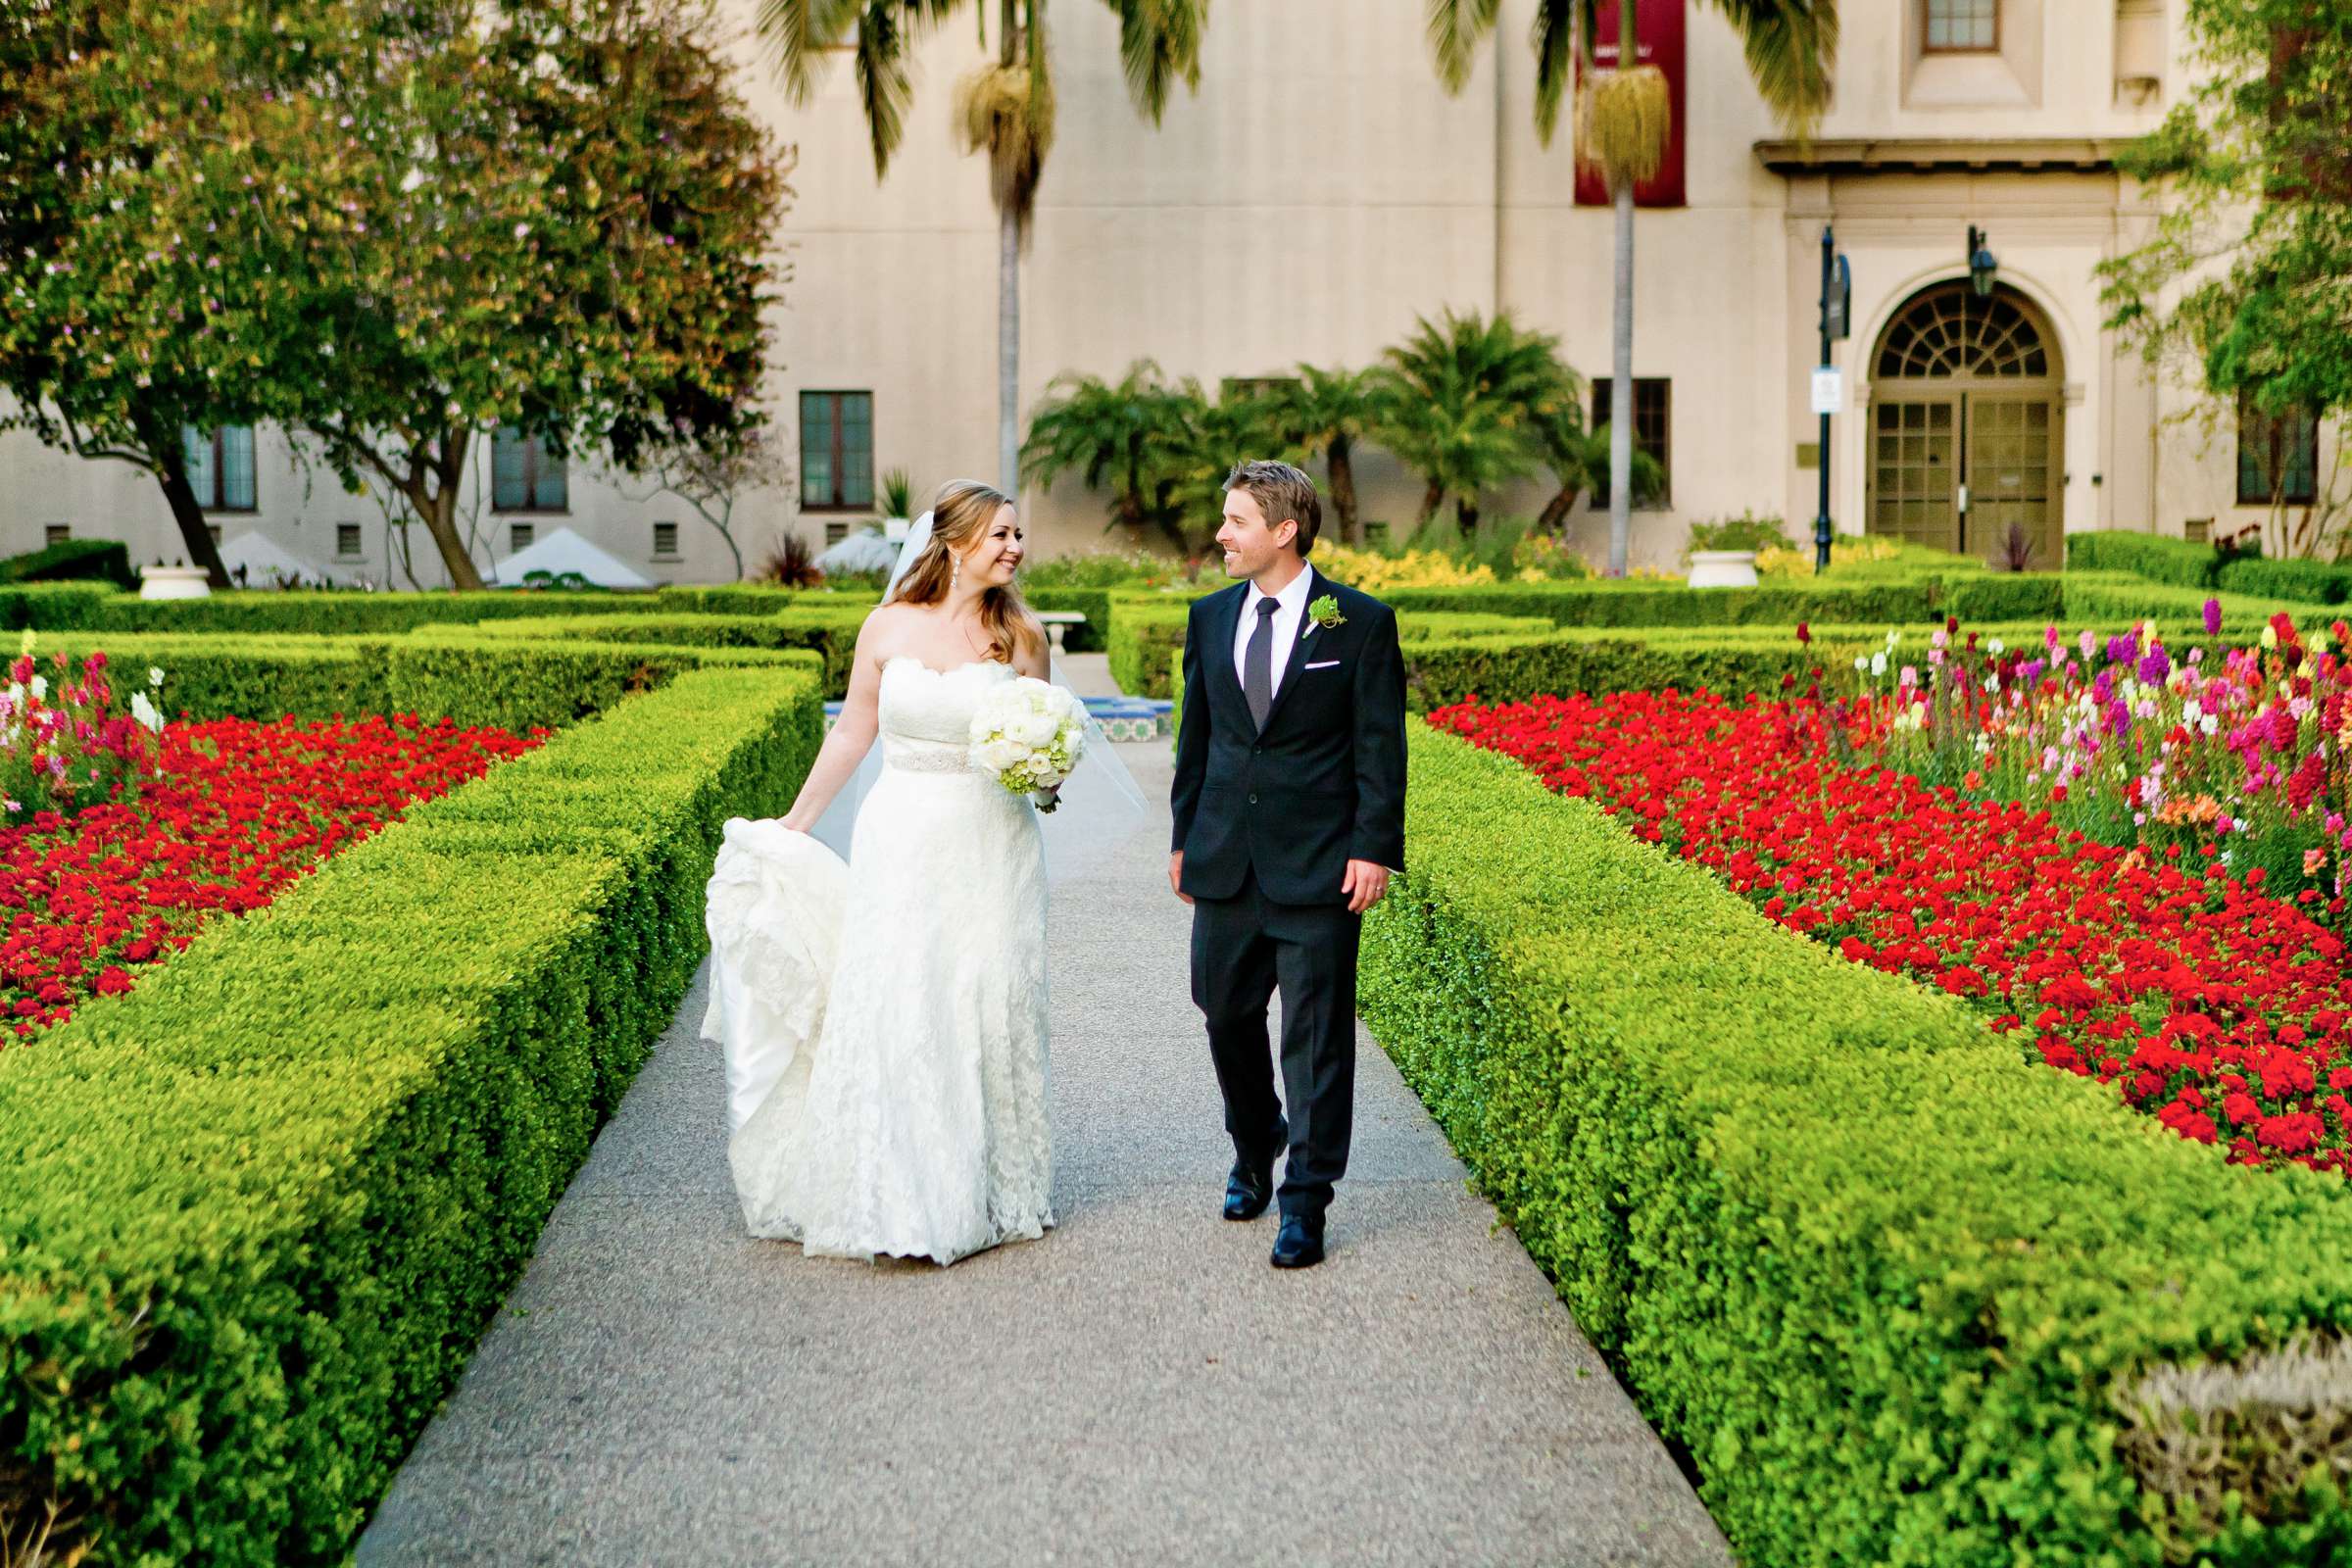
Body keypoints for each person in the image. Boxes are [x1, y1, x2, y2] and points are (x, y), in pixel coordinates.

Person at [701, 478, 1056, 1265]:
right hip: (902, 836)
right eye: (1000, 535)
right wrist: (797, 820)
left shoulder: (1023, 637)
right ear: (953, 542)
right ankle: (898, 1188)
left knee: (984, 997)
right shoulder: (886, 625)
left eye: (1018, 536)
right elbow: (854, 728)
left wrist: (1045, 773)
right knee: (905, 999)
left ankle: (985, 1184)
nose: (1014, 548)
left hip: (993, 840)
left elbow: (1046, 746)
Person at [1168, 460, 1407, 1269]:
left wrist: (1374, 847)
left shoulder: (1361, 623)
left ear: (1284, 531)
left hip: (1321, 866)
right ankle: (1255, 1138)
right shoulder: (1208, 618)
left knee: (1316, 1038)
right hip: (1226, 859)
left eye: (1235, 521)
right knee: (1223, 1011)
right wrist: (1182, 837)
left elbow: (1381, 749)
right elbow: (1196, 739)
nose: (1220, 535)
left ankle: (1304, 1199)